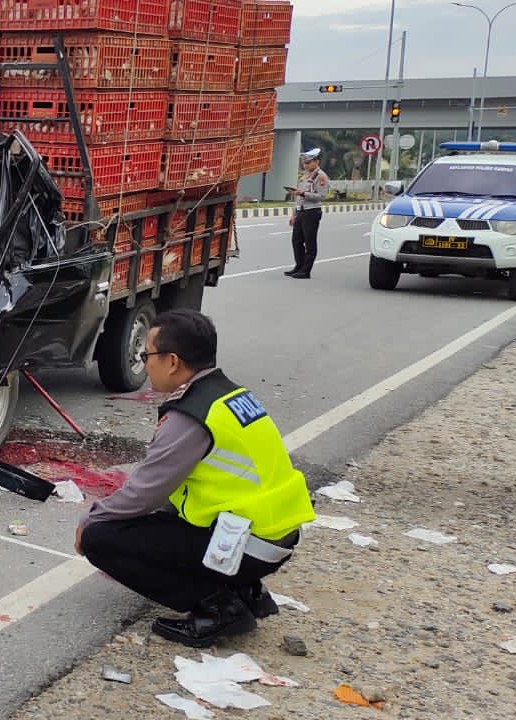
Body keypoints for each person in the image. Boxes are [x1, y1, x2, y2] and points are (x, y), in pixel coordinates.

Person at [75, 309, 314, 647]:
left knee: (101, 538)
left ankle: (218, 608)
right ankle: (243, 589)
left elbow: (144, 493)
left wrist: (90, 519)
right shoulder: (230, 396)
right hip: (273, 536)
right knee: (154, 523)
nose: (144, 364)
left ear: (172, 361)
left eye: (147, 355)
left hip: (247, 545)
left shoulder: (190, 417)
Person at [285, 148, 329, 279]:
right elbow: (298, 197)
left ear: (316, 161)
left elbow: (321, 196)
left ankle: (306, 270)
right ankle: (299, 266)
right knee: (296, 241)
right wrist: (294, 214)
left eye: (308, 162)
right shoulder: (304, 176)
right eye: (304, 163)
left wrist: (303, 193)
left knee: (310, 242)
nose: (306, 165)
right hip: (301, 211)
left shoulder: (321, 176)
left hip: (312, 212)